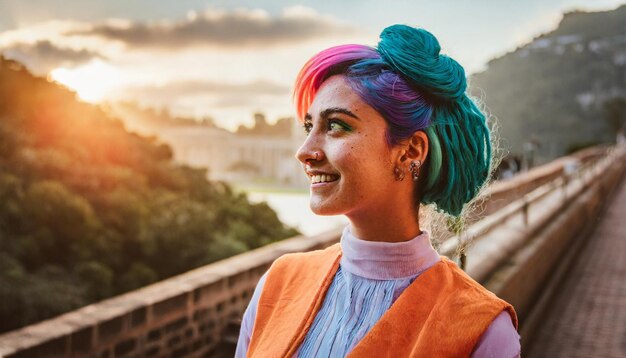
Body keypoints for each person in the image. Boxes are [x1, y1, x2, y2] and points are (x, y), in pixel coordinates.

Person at [236, 24, 520, 357]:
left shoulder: (483, 332)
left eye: (336, 126)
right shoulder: (277, 284)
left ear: (411, 151)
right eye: (309, 126)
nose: (305, 151)